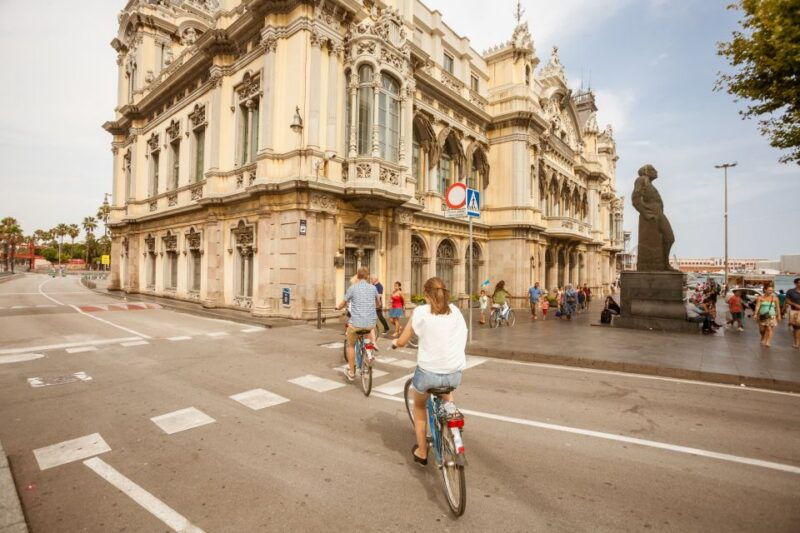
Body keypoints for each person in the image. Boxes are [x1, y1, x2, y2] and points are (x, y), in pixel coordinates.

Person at [393, 277, 467, 466]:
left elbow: (402, 341)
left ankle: (422, 452)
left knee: (419, 407)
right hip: (454, 373)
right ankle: (451, 415)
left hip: (428, 374)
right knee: (447, 394)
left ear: (426, 295)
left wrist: (395, 343)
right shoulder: (456, 311)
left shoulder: (420, 312)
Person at [336, 267, 378, 381]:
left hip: (356, 324)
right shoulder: (373, 288)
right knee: (368, 335)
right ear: (367, 276)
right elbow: (378, 303)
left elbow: (343, 303)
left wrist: (337, 307)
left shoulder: (352, 288)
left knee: (350, 345)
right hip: (370, 324)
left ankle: (352, 372)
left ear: (357, 276)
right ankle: (369, 352)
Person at [753, 283, 782, 348]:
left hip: (771, 315)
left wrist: (779, 315)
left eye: (771, 290)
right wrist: (755, 314)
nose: (770, 292)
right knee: (762, 330)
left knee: (769, 328)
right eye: (769, 290)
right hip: (762, 316)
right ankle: (763, 336)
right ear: (765, 290)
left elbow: (777, 308)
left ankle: (768, 342)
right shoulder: (760, 298)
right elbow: (757, 306)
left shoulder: (775, 298)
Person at [785, 277, 800, 349]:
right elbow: (787, 301)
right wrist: (794, 304)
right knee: (796, 328)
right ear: (796, 283)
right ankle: (797, 343)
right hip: (795, 312)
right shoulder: (790, 291)